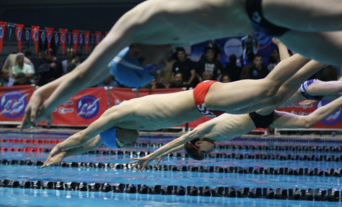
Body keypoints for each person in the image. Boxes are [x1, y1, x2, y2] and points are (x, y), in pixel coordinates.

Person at [21, 0, 342, 129]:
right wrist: (44, 93)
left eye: (153, 65)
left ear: (138, 55)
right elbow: (94, 72)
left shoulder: (136, 24)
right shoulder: (142, 44)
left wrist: (47, 102)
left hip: (261, 0)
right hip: (268, 26)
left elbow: (84, 72)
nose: (163, 61)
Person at [40, 48, 334, 167]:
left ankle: (318, 46)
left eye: (120, 144)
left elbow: (83, 136)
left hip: (204, 98)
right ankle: (322, 53)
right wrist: (66, 157)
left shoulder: (119, 114)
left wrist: (59, 148)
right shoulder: (133, 125)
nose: (128, 145)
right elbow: (92, 144)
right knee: (272, 96)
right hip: (210, 106)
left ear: (118, 133)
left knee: (270, 87)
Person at [131, 93, 342, 170]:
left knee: (286, 95)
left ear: (198, 144)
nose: (209, 152)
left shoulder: (205, 129)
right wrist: (163, 156)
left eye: (204, 153)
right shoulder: (207, 139)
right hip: (261, 121)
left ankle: (308, 88)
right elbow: (180, 145)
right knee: (308, 123)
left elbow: (181, 139)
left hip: (254, 112)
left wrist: (151, 155)